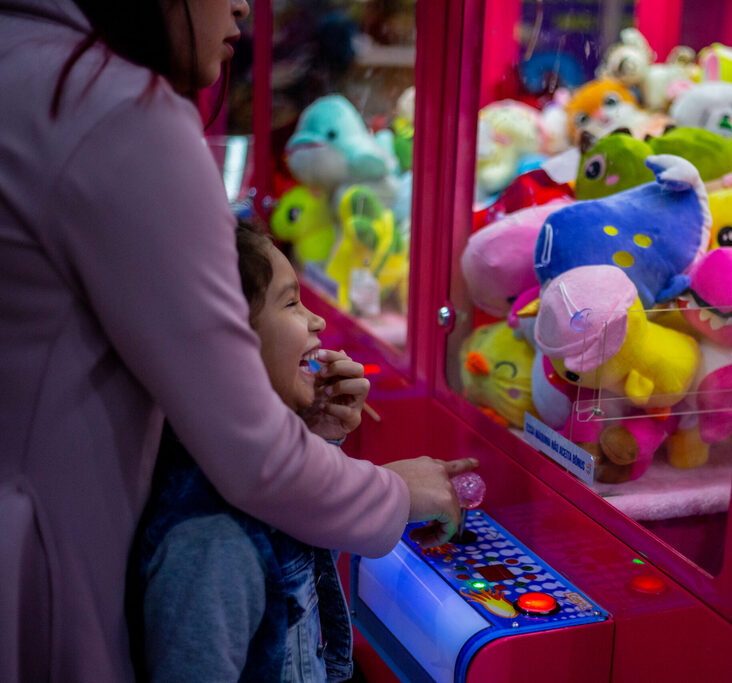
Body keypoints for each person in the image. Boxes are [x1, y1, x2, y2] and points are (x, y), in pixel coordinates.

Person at [0, 1, 473, 680]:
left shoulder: (29, 62)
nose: (244, 7)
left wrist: (308, 434)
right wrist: (395, 491)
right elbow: (252, 457)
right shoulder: (108, 106)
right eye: (290, 303)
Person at [127, 223, 383, 681]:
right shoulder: (212, 542)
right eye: (291, 303)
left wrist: (318, 438)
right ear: (230, 341)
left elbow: (303, 583)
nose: (318, 321)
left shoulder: (257, 480)